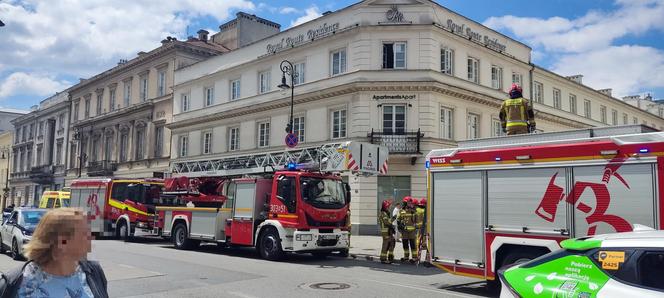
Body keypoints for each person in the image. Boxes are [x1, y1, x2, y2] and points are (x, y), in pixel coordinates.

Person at [0, 208, 108, 297]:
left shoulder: (94, 272)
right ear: (63, 242)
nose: (91, 237)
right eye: (85, 233)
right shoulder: (16, 282)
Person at [397, 197, 417, 263]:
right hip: (404, 231)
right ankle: (406, 257)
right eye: (408, 202)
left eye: (411, 202)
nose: (410, 204)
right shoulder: (401, 211)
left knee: (412, 245)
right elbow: (398, 219)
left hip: (412, 231)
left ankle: (414, 258)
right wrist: (399, 225)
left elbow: (417, 220)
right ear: (405, 203)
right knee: (405, 244)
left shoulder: (414, 211)